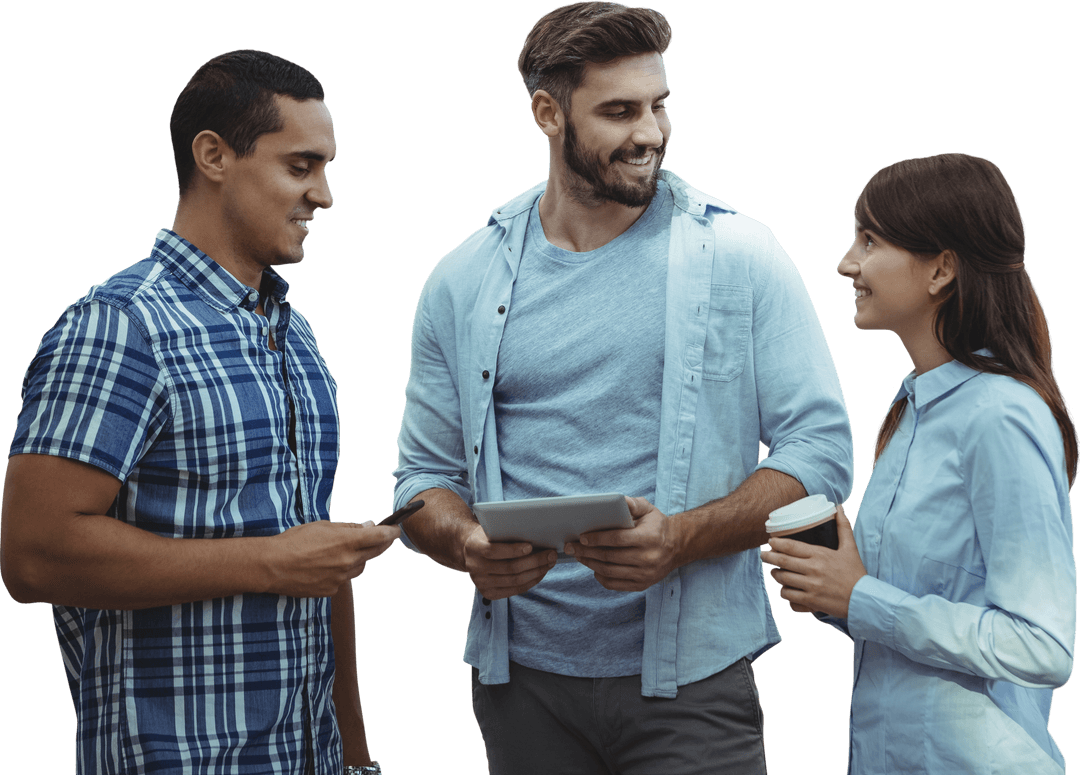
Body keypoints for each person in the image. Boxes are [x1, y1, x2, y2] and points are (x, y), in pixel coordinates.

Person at [391, 3, 853, 773]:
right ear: (548, 113)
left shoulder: (742, 254)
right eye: (619, 111)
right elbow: (420, 480)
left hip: (693, 689)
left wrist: (680, 538)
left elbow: (823, 451)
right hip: (522, 688)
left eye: (659, 105)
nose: (651, 133)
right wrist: (469, 542)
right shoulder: (461, 279)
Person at [0, 50, 397, 775]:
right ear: (213, 156)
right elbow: (33, 554)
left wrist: (358, 756)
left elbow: (315, 560)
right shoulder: (119, 326)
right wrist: (271, 562)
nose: (326, 194)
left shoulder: (294, 336)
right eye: (301, 166)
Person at [762, 153, 1077, 773]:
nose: (845, 262)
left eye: (870, 239)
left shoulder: (1001, 417)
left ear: (942, 269)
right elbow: (914, 611)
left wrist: (862, 598)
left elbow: (1044, 647)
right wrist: (835, 591)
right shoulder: (910, 413)